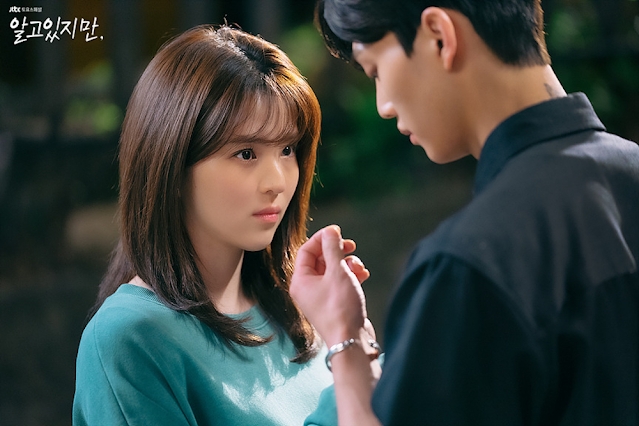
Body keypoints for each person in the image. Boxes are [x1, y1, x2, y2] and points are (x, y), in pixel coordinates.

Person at [291, 1, 639, 425]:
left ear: (439, 36)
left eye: (375, 69)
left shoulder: (467, 264)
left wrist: (346, 340)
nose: (383, 105)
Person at [72, 24, 371, 426]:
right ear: (171, 165)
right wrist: (352, 355)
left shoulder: (298, 308)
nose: (277, 182)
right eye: (246, 153)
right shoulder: (130, 338)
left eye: (287, 149)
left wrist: (349, 333)